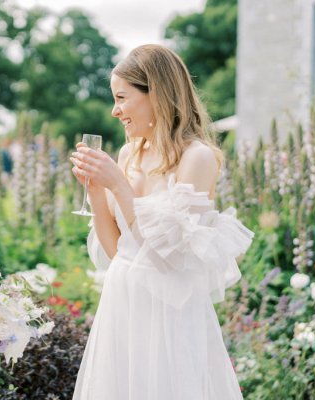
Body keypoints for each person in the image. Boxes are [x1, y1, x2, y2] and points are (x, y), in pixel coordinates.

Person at [70, 44, 253, 400]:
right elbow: (116, 252)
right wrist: (94, 190)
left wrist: (119, 186)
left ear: (155, 92)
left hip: (169, 315)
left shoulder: (197, 158)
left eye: (122, 97)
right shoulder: (129, 153)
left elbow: (166, 260)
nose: (115, 110)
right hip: (122, 302)